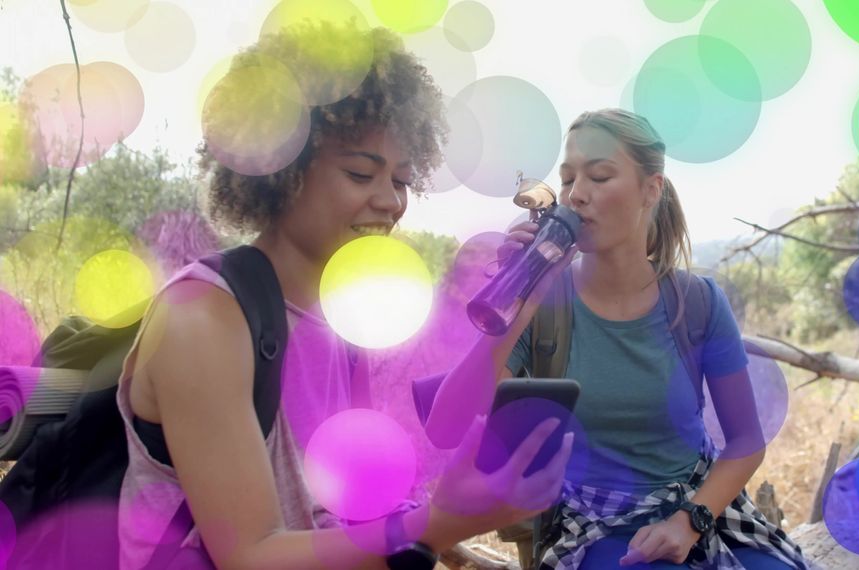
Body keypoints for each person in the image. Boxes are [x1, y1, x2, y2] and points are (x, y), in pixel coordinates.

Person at [116, 25, 571, 570]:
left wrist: (452, 540)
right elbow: (250, 556)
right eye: (360, 173)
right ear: (279, 164)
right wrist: (443, 521)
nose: (389, 202)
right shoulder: (205, 318)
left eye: (402, 181)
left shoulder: (340, 323)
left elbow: (349, 506)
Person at [424, 109, 809, 569]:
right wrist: (519, 298)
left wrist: (689, 521)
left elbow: (746, 439)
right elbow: (445, 427)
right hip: (593, 523)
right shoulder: (545, 309)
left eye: (600, 176)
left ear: (652, 189)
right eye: (567, 180)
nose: (578, 195)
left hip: (698, 508)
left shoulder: (698, 303)